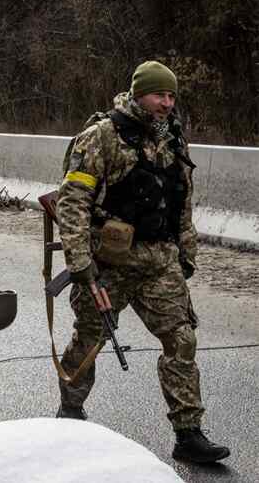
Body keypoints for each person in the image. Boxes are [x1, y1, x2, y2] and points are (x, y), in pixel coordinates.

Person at [54, 60, 230, 463]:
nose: (166, 103)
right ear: (138, 95)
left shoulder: (174, 139)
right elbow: (74, 201)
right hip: (108, 264)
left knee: (181, 340)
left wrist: (187, 253)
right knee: (88, 340)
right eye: (158, 95)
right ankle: (69, 416)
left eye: (171, 96)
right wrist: (80, 262)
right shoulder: (102, 137)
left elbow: (181, 201)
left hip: (159, 261)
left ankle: (188, 433)